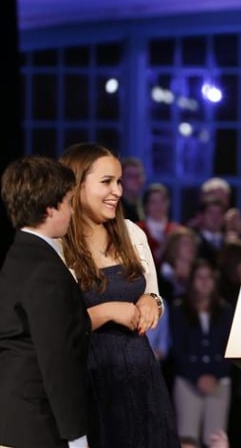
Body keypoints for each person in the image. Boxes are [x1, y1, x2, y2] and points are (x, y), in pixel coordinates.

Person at [59, 143, 180, 448]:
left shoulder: (132, 234)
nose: (117, 190)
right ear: (76, 184)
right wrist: (108, 311)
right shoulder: (58, 245)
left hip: (141, 377)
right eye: (106, 182)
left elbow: (154, 294)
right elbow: (55, 326)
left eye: (119, 181)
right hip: (89, 383)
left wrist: (151, 302)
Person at [0, 156, 91, 448]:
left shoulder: (18, 255)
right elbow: (57, 359)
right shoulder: (45, 270)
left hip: (16, 417)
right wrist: (75, 435)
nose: (73, 211)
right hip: (38, 424)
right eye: (69, 202)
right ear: (50, 208)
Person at [170, 259, 234, 448]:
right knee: (187, 438)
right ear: (192, 280)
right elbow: (177, 349)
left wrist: (214, 375)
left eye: (209, 277)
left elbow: (230, 348)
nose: (204, 282)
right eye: (200, 277)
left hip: (219, 381)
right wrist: (197, 377)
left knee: (216, 438)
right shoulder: (179, 310)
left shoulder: (225, 310)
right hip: (188, 381)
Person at [120, 156, 146, 222]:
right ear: (121, 179)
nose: (136, 179)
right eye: (130, 176)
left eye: (139, 175)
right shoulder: (116, 207)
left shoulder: (146, 205)